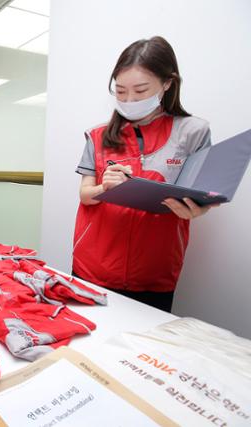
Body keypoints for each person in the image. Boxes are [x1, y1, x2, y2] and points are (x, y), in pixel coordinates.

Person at [73, 36, 216, 312]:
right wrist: (105, 188)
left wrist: (198, 209)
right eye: (120, 91)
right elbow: (85, 195)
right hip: (93, 265)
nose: (129, 100)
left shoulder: (193, 132)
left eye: (140, 91)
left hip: (154, 272)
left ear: (167, 83)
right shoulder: (98, 135)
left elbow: (202, 195)